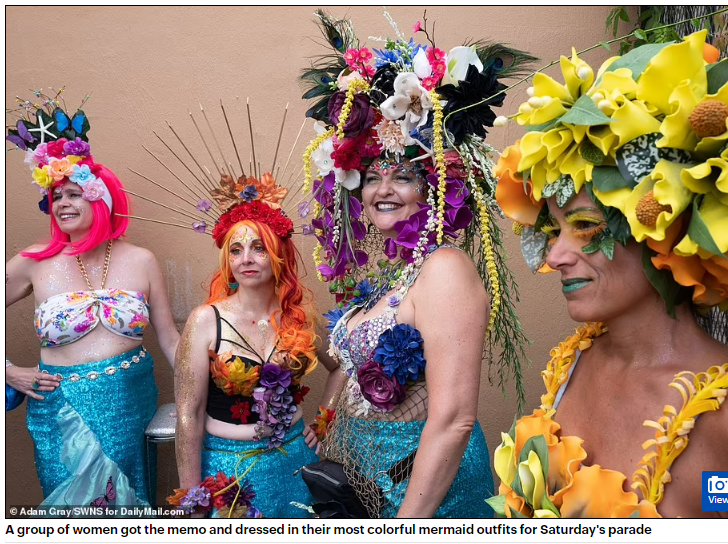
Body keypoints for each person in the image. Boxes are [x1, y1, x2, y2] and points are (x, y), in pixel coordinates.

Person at [491, 31, 728, 518]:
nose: (555, 256)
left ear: (665, 229)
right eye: (553, 230)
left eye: (585, 226)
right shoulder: (574, 361)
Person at [297, 12, 534, 517]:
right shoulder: (395, 276)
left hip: (422, 496)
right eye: (372, 177)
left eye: (403, 176)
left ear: (433, 189)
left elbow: (454, 420)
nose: (382, 189)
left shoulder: (445, 268)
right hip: (366, 483)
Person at [5, 98, 179, 507]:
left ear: (101, 198)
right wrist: (8, 372)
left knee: (131, 506)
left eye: (74, 194)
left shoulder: (141, 260)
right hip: (62, 411)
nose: (62, 203)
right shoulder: (33, 262)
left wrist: (205, 393)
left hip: (130, 403)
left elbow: (170, 339)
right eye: (56, 196)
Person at [153, 106, 320, 517]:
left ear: (277, 255)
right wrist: (191, 497)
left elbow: (342, 367)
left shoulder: (296, 316)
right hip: (229, 470)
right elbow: (189, 414)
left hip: (296, 464)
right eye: (236, 249)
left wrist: (324, 421)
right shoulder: (205, 320)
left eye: (259, 248)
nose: (246, 258)